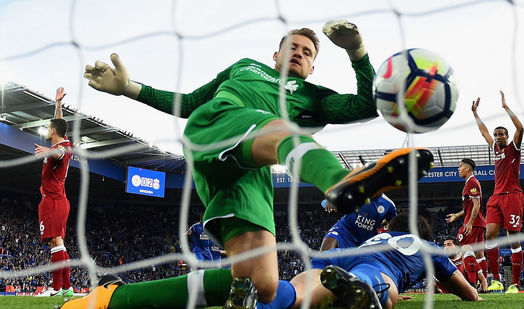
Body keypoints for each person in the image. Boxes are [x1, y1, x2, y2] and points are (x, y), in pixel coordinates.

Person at [73, 20, 434, 308]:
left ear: (312, 67)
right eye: (292, 47)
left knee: (259, 283)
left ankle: (112, 297)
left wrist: (357, 51)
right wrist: (130, 88)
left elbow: (368, 105)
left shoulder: (313, 98)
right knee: (279, 128)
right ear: (275, 54)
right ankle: (341, 182)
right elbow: (190, 102)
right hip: (216, 127)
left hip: (251, 174)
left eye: (307, 52)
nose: (299, 53)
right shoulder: (245, 68)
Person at [289, 214, 481, 309]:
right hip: (375, 269)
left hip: (342, 254)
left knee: (299, 291)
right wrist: (475, 295)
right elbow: (468, 294)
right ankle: (360, 285)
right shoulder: (429, 246)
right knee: (385, 292)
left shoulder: (379, 236)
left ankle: (274, 298)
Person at [471, 91, 524, 293]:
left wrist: (505, 107)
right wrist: (475, 114)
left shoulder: (514, 148)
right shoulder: (495, 149)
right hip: (496, 197)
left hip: (512, 195)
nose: (498, 137)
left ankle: (515, 284)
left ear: (507, 136)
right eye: (496, 135)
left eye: (501, 134)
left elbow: (519, 127)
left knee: (513, 237)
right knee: (490, 235)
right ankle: (497, 280)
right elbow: (483, 131)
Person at [34, 87, 74, 297]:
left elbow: (58, 154)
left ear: (53, 132)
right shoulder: (64, 141)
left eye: (49, 128)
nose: (48, 129)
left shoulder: (61, 149)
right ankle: (67, 286)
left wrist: (49, 151)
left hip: (53, 201)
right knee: (59, 243)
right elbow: (59, 125)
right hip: (58, 200)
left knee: (55, 242)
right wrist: (58, 105)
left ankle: (56, 288)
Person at [445, 158, 488, 290]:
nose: (458, 169)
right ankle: (484, 285)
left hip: (473, 224)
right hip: (480, 223)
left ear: (467, 169)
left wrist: (469, 223)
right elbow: (469, 207)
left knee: (463, 250)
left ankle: (472, 284)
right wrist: (457, 215)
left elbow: (477, 205)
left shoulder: (472, 183)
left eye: (460, 166)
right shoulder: (471, 183)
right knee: (479, 255)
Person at [320, 194, 397, 251]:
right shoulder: (354, 192)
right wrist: (328, 203)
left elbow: (394, 229)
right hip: (344, 231)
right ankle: (318, 270)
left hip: (366, 241)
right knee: (329, 243)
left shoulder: (389, 205)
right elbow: (325, 202)